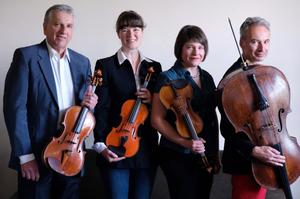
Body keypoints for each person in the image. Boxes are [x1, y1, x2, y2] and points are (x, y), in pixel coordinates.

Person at [3, 4, 98, 199]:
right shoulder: (26, 57)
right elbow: (15, 109)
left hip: (71, 154)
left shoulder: (82, 62)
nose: (64, 31)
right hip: (36, 154)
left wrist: (91, 105)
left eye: (69, 26)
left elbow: (82, 112)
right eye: (58, 24)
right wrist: (25, 156)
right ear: (45, 27)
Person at [92, 10, 162, 199]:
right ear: (118, 33)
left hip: (146, 146)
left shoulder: (154, 67)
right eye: (125, 29)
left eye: (136, 28)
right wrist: (100, 144)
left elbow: (163, 108)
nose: (131, 34)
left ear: (142, 32)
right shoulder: (105, 65)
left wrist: (153, 99)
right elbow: (101, 108)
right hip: (115, 144)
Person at [218, 17, 286, 199]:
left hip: (268, 154)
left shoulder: (264, 72)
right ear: (242, 43)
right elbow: (226, 127)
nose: (262, 48)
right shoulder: (231, 82)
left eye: (266, 41)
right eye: (255, 42)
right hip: (247, 162)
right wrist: (253, 150)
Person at [151, 25, 220, 199]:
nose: (196, 52)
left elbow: (212, 117)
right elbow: (157, 120)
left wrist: (215, 152)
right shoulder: (167, 78)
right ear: (180, 49)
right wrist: (185, 142)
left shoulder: (207, 77)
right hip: (178, 154)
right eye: (190, 47)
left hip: (206, 153)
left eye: (200, 47)